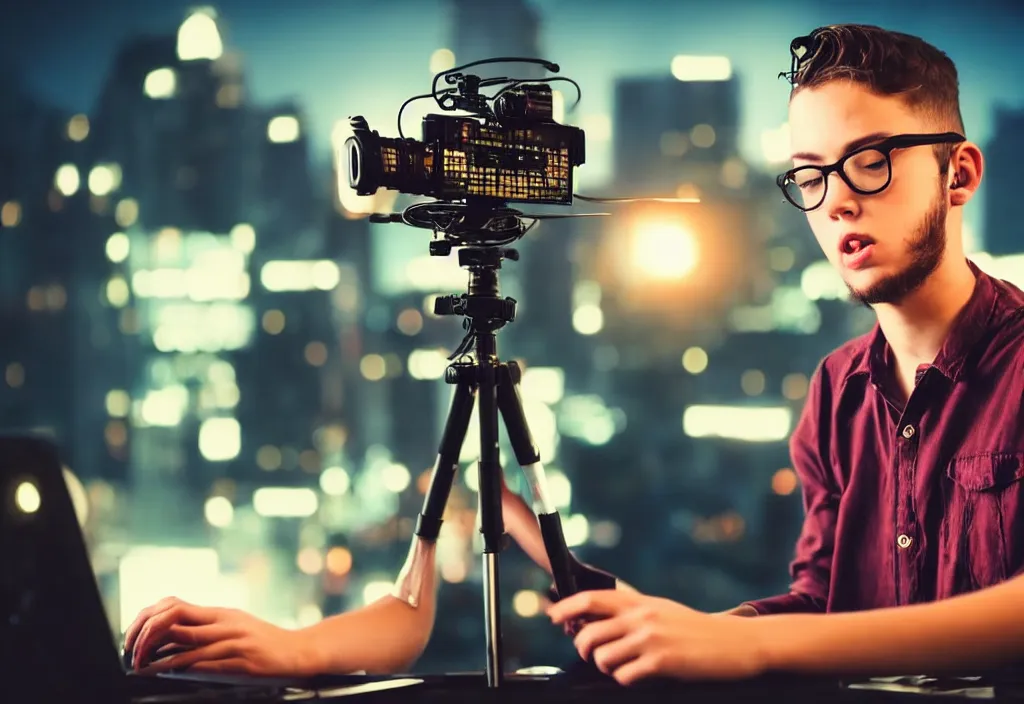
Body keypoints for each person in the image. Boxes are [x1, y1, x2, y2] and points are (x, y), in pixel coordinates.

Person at [124, 22, 1024, 683]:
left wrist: (743, 643)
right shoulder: (838, 391)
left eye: (870, 161)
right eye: (812, 175)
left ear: (959, 173)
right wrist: (675, 627)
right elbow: (823, 611)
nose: (835, 203)